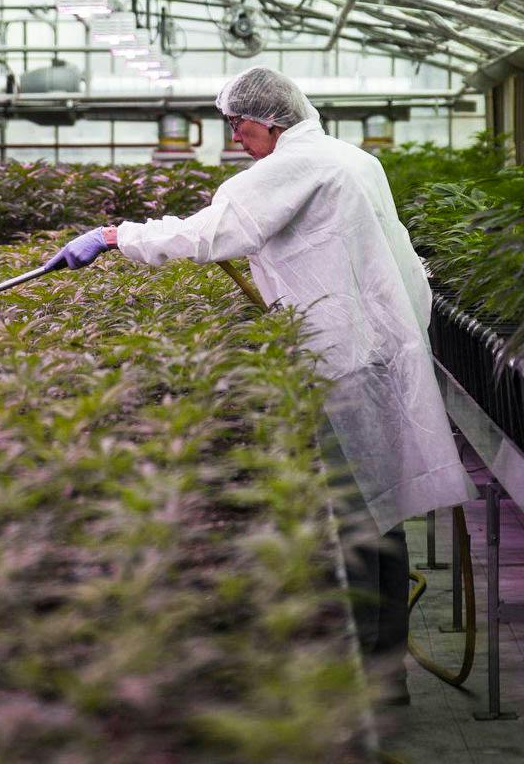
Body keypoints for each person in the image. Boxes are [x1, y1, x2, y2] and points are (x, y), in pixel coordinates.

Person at [45, 66, 476, 703]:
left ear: (271, 121)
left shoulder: (294, 166)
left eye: (239, 125)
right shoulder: (353, 161)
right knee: (379, 519)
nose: (235, 137)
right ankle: (386, 673)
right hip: (379, 350)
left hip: (343, 365)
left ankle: (373, 683)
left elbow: (212, 232)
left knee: (356, 524)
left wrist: (115, 237)